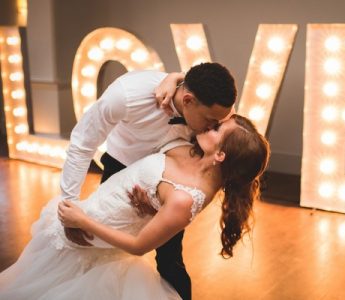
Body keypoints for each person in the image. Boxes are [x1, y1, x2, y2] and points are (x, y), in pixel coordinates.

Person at [0, 115, 270, 300]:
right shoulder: (192, 149)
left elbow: (140, 246)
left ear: (220, 155)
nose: (210, 124)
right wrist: (154, 206)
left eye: (216, 129)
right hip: (99, 206)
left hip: (95, 230)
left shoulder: (186, 198)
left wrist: (82, 221)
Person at [60, 62, 236, 299]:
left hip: (171, 177)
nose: (213, 127)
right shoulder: (126, 95)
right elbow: (82, 144)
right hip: (120, 168)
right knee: (100, 251)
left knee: (170, 259)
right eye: (209, 121)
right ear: (187, 101)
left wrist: (175, 76)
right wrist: (70, 206)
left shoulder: (207, 106)